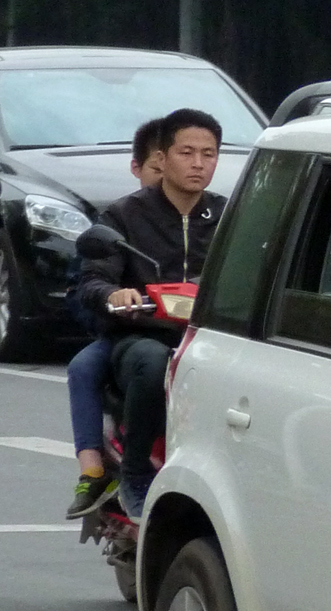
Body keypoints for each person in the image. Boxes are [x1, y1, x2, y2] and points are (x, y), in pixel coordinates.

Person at [76, 108, 226, 518]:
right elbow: (91, 282)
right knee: (150, 359)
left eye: (209, 154)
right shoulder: (124, 215)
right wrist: (115, 293)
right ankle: (135, 471)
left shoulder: (228, 217)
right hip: (142, 338)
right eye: (187, 152)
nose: (198, 163)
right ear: (162, 157)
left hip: (211, 340)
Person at [64, 118, 168, 517]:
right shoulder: (119, 221)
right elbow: (85, 290)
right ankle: (94, 469)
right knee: (84, 367)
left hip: (187, 331)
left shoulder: (212, 217)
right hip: (127, 333)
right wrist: (115, 303)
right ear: (138, 168)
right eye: (156, 171)